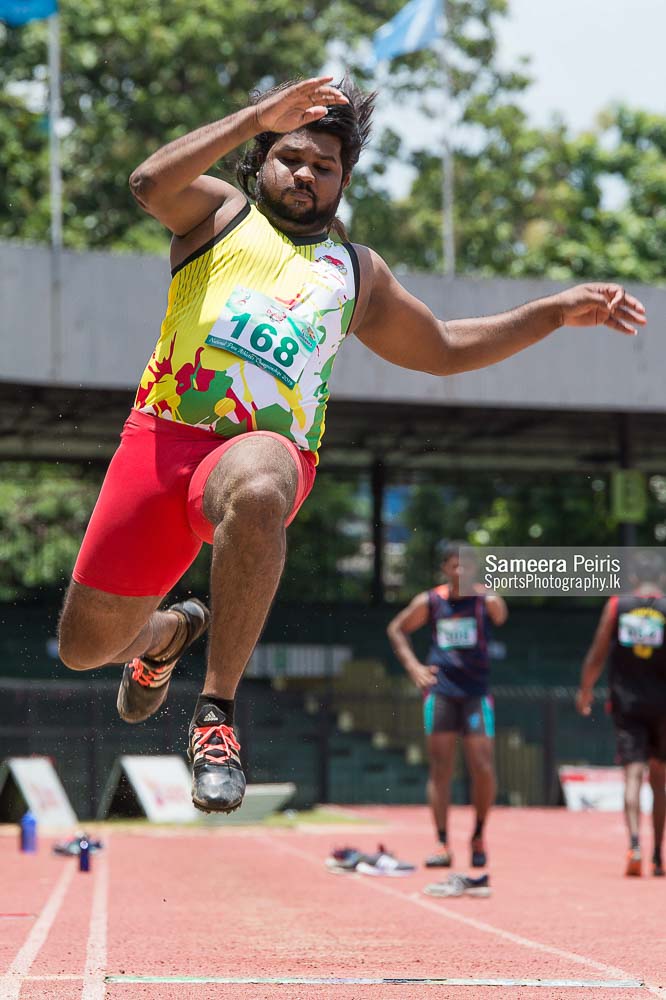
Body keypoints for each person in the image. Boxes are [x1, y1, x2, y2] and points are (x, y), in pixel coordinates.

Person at [56, 74, 646, 816]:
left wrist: (552, 313)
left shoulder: (356, 272)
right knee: (83, 647)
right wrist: (255, 115)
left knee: (261, 481)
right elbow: (148, 183)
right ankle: (168, 633)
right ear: (261, 160)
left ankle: (215, 717)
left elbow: (444, 347)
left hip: (265, 453)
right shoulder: (219, 216)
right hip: (162, 438)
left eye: (325, 166)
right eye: (291, 157)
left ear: (344, 181)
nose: (305, 174)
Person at [387, 542, 507, 869]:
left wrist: (492, 594)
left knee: (482, 766)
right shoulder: (431, 601)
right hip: (440, 691)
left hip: (475, 692)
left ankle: (479, 835)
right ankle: (442, 843)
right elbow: (396, 628)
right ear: (445, 568)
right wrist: (413, 667)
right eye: (454, 565)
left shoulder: (483, 599)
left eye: (466, 566)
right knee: (441, 768)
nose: (460, 571)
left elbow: (501, 614)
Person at [577, 550, 666, 877]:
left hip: (628, 704)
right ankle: (657, 855)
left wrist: (585, 689)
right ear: (662, 577)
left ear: (632, 578)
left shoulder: (618, 605)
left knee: (632, 776)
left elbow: (598, 653)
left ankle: (634, 845)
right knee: (660, 781)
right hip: (663, 705)